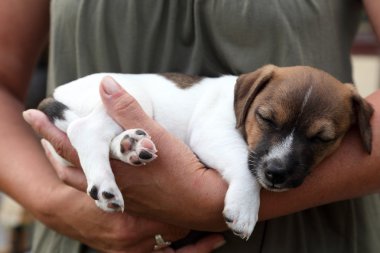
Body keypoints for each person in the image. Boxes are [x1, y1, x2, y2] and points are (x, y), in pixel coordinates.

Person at [1, 0, 380, 252]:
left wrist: (207, 202)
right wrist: (52, 204)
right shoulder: (229, 100)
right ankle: (96, 139)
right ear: (246, 99)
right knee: (126, 106)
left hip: (304, 236)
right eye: (266, 120)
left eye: (321, 138)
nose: (279, 161)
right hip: (88, 229)